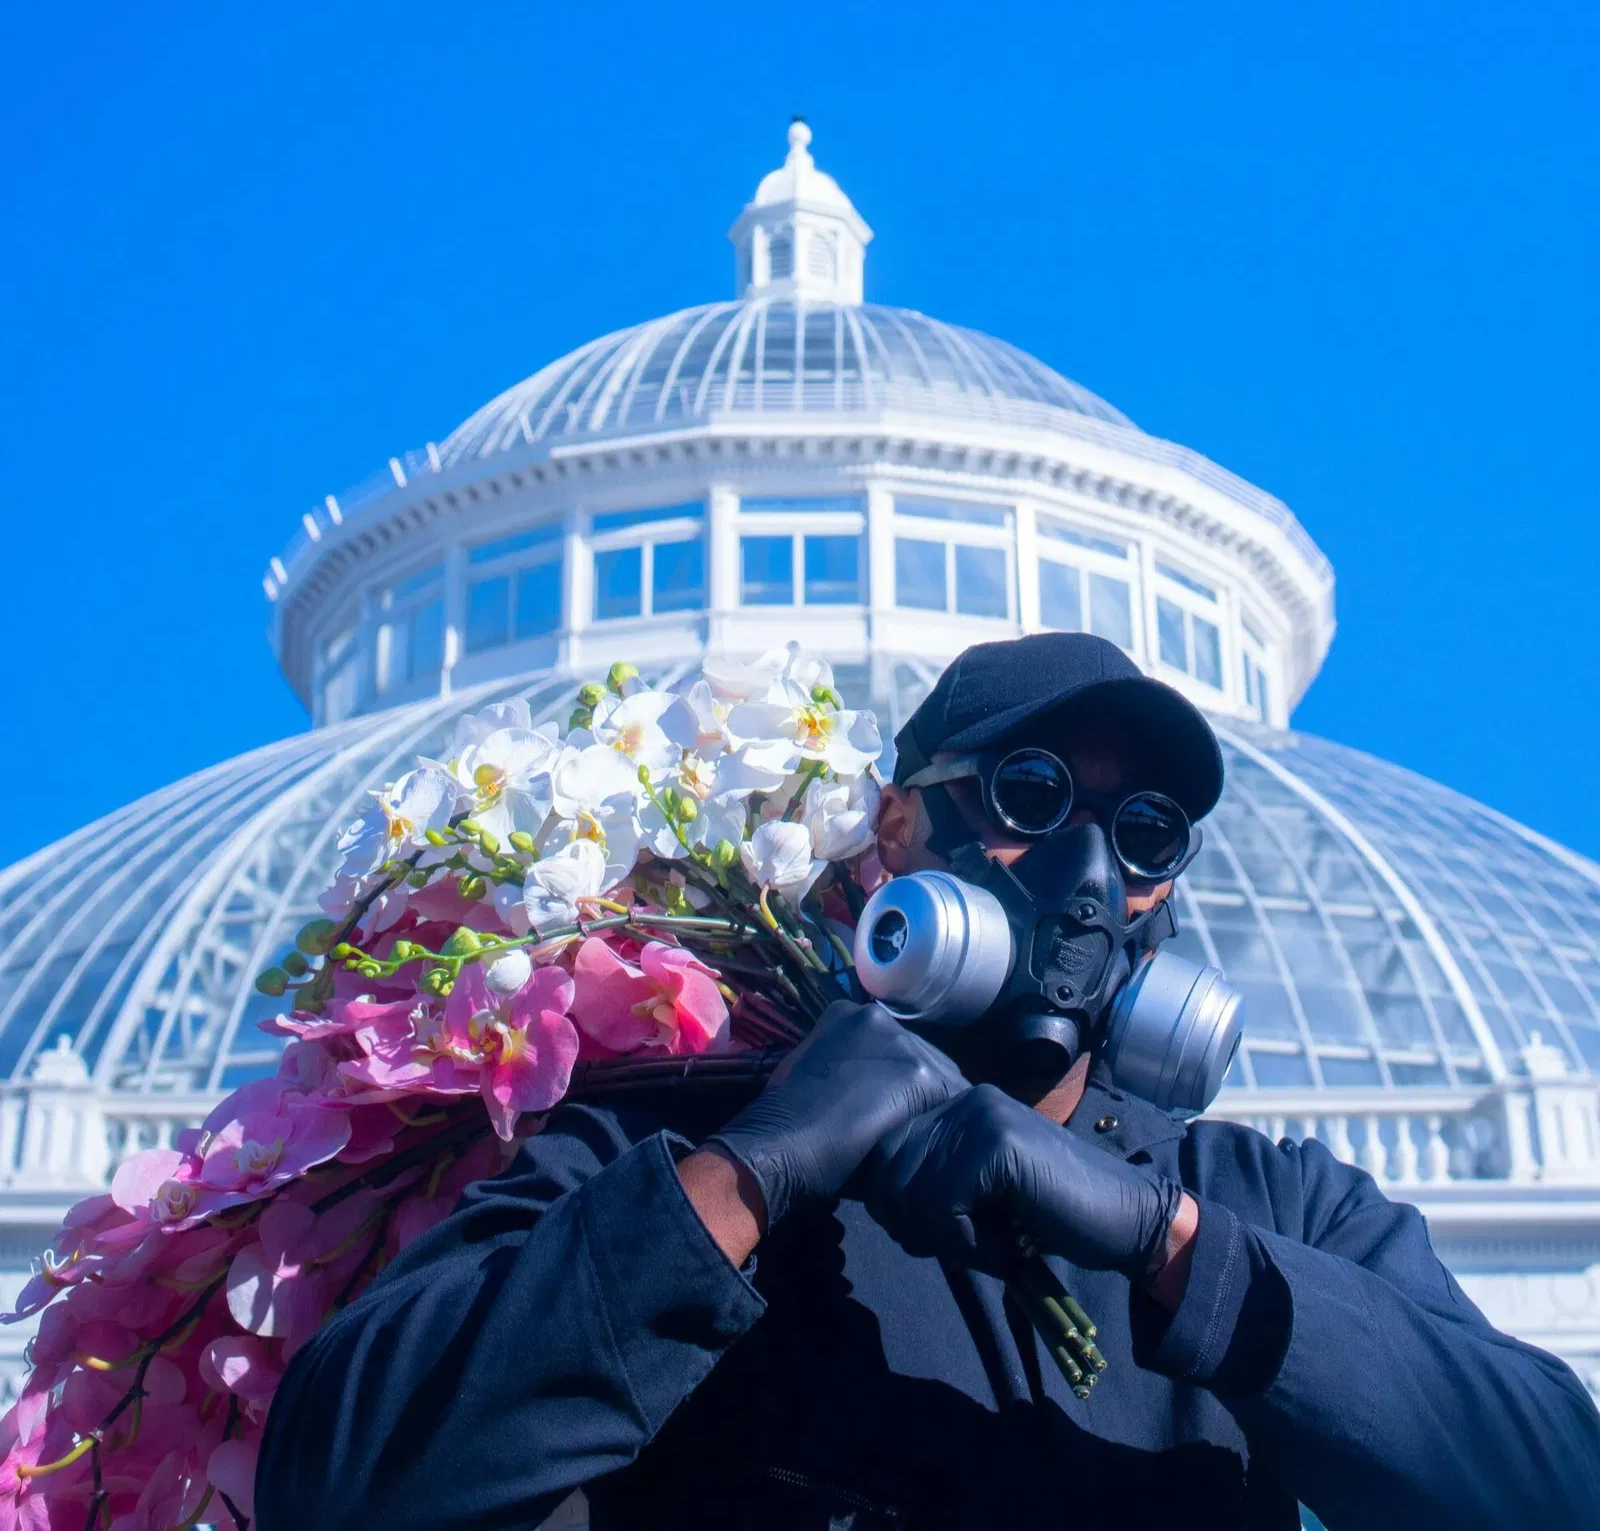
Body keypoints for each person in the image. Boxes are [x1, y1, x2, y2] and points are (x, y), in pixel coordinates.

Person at [255, 633, 1600, 1531]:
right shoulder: (664, 1140)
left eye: (1140, 835)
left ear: (1165, 895)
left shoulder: (1268, 1202)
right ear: (896, 833)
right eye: (1028, 795)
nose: (1086, 876)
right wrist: (752, 1171)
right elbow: (345, 1476)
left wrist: (1172, 1245)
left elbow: (1554, 1482)